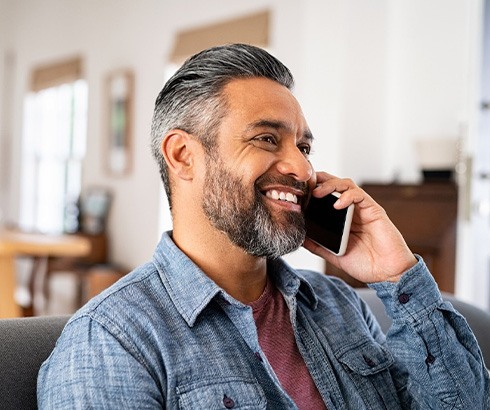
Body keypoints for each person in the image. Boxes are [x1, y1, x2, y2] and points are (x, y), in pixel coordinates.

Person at [37, 43, 489, 409]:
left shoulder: (339, 305)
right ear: (183, 156)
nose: (301, 168)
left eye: (304, 147)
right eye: (267, 139)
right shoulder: (112, 341)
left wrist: (397, 273)